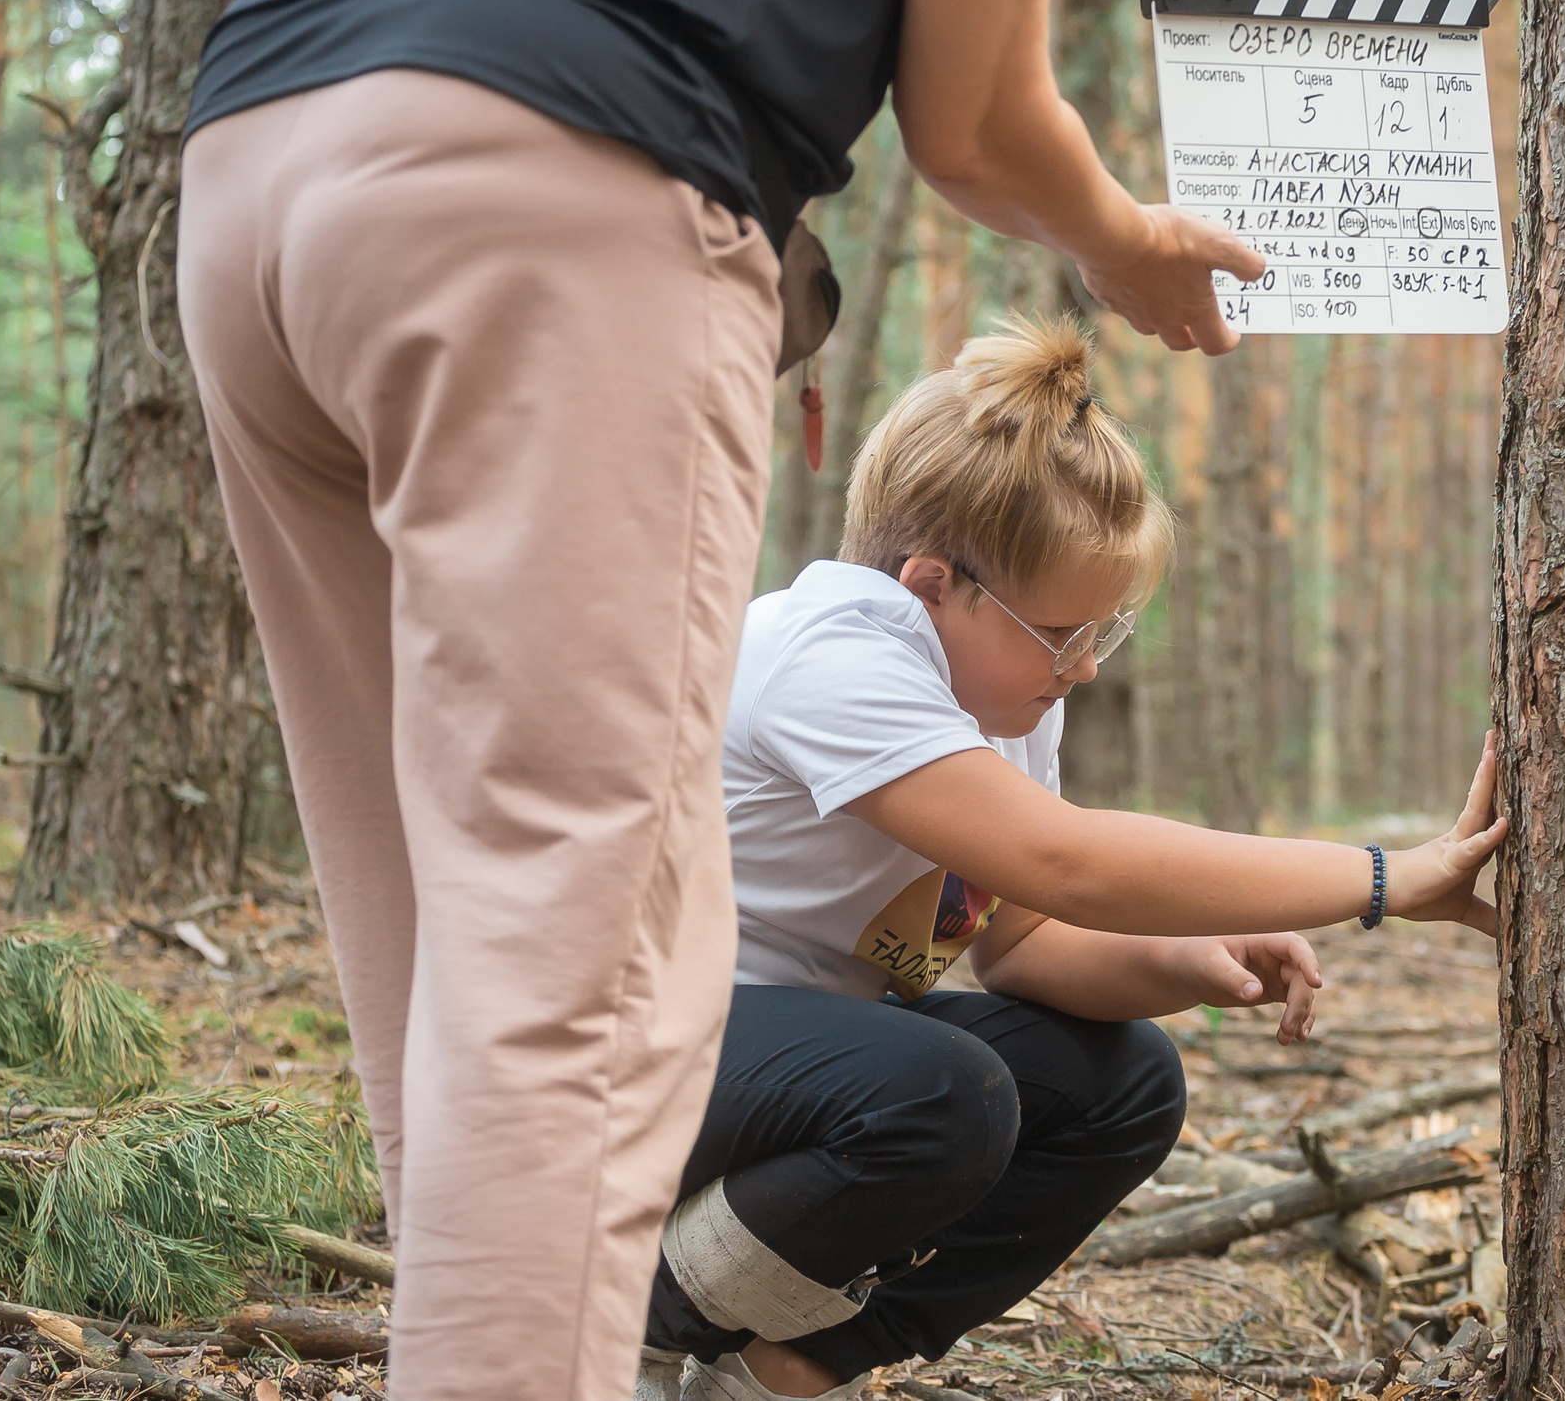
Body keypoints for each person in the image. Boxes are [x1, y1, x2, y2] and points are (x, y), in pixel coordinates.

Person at [172, 0, 1297, 1398]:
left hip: (268, 160)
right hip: (573, 179)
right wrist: (1123, 240)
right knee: (580, 972)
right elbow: (978, 123)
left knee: (440, 937)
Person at [639, 321, 1505, 1401]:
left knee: (1124, 1082)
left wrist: (1189, 959)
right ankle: (646, 1312)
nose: (1086, 666)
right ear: (928, 587)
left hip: (782, 1068)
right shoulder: (830, 653)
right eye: (1062, 634)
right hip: (637, 1054)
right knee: (943, 1092)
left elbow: (1024, 939)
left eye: (1106, 629)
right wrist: (1381, 878)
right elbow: (1067, 865)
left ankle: (791, 1364)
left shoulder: (999, 694)